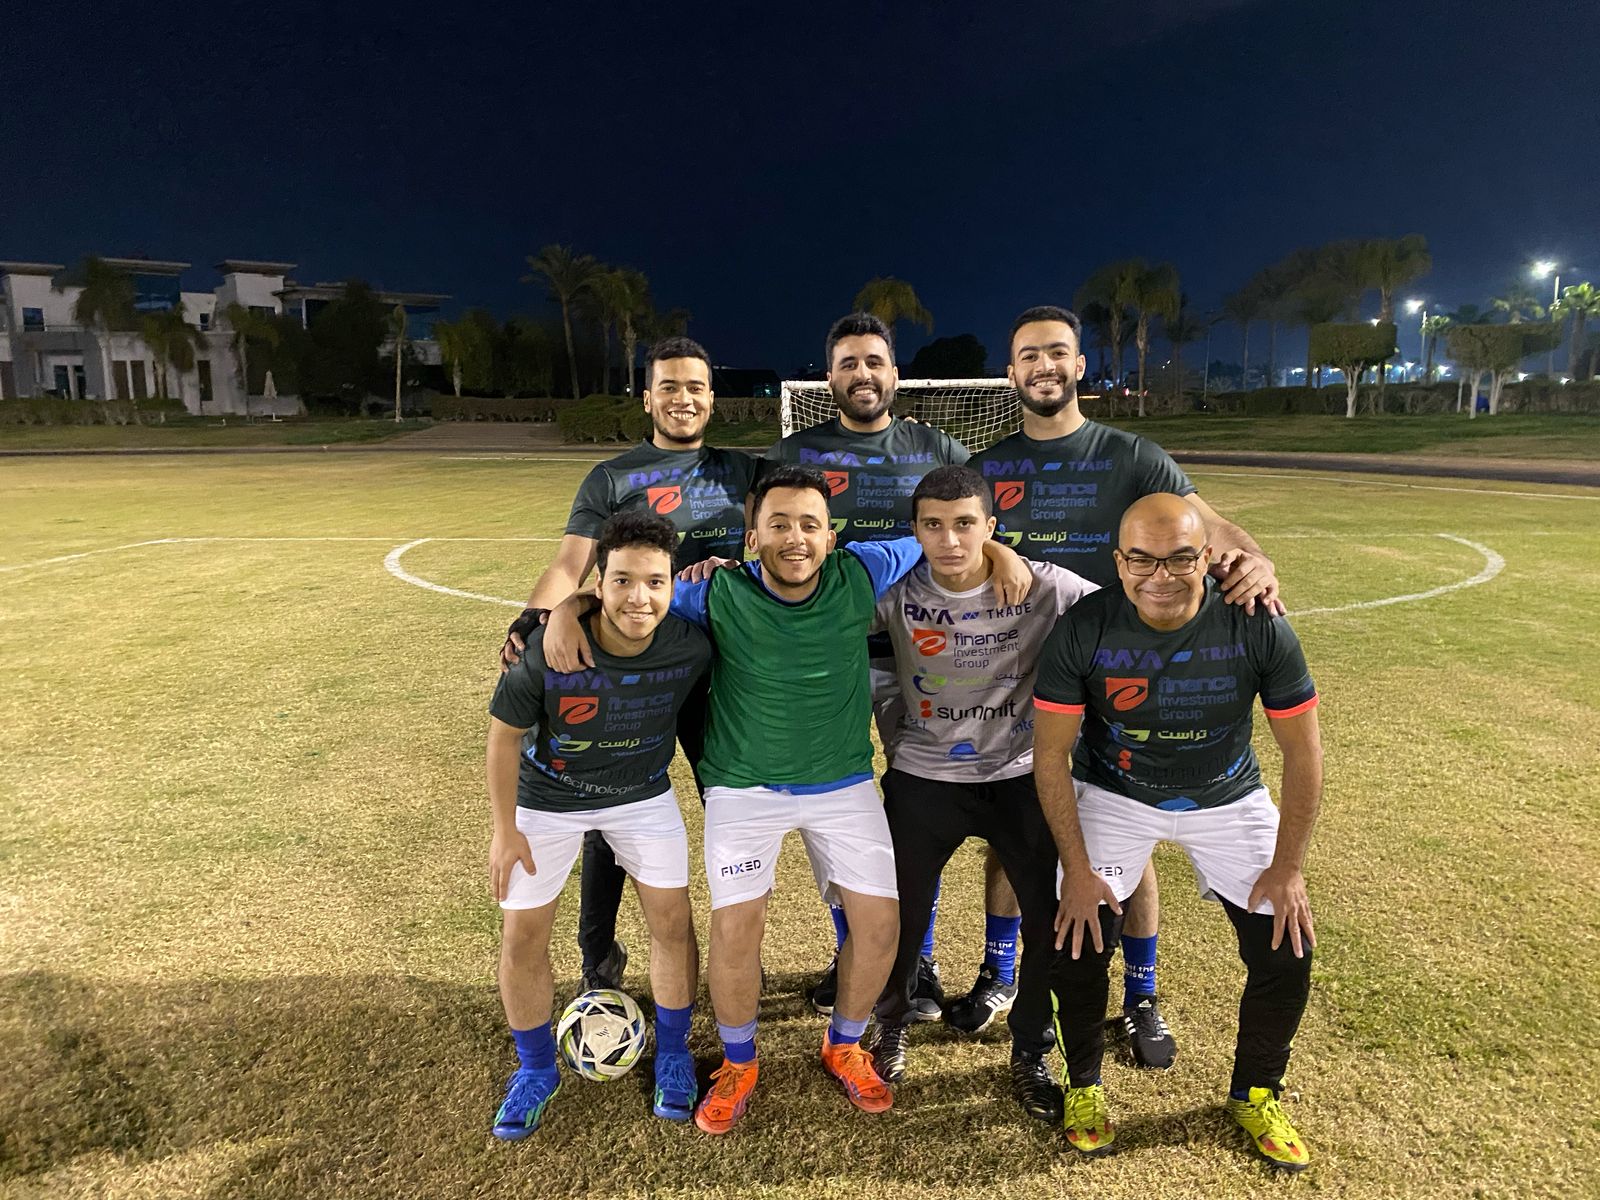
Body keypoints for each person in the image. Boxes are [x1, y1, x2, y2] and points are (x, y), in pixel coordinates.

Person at [662, 464, 1032, 1134]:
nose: (795, 538)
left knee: (881, 927)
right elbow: (627, 593)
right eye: (778, 524)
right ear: (752, 536)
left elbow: (947, 536)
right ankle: (739, 1062)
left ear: (831, 537)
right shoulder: (715, 591)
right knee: (737, 927)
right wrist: (567, 612)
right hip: (744, 787)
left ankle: (844, 1044)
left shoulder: (862, 569)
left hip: (842, 784)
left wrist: (1001, 552)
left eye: (810, 524)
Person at [956, 305, 1281, 1067]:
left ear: (1078, 366)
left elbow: (1210, 526)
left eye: (1057, 353)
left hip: (1121, 680)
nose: (1043, 366)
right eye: (1028, 354)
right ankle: (1000, 973)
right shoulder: (987, 465)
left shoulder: (1132, 455)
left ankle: (1140, 994)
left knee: (1128, 839)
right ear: (1012, 372)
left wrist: (1257, 558)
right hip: (1016, 678)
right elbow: (958, 537)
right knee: (1018, 835)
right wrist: (999, 553)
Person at [1033, 493, 1322, 1170]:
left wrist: (1287, 868)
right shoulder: (1085, 626)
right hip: (1116, 793)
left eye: (1180, 559)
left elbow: (1304, 753)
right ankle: (1084, 1087)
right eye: (1141, 560)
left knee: (1287, 948)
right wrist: (1078, 870)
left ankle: (1256, 1093)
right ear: (1119, 561)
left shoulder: (1257, 623)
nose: (1159, 576)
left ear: (1208, 557)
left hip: (1228, 796)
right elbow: (1050, 756)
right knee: (1077, 938)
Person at [501, 336, 756, 994]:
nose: (682, 399)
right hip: (631, 671)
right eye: (668, 387)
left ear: (712, 399)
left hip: (723, 670)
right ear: (647, 399)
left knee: (732, 804)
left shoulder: (744, 472)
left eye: (695, 387)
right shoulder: (612, 478)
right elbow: (572, 563)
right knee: (608, 802)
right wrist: (539, 616)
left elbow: (790, 535)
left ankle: (732, 952)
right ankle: (598, 956)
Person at [868, 465, 1096, 1123]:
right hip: (924, 777)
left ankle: (1031, 1051)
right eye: (933, 525)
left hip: (1020, 777)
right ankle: (892, 1023)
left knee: (1050, 923)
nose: (950, 540)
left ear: (991, 527)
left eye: (966, 524)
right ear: (915, 531)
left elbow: (1124, 605)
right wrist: (896, 733)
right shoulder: (894, 593)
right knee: (898, 917)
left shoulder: (1043, 585)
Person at [761, 312, 971, 1021]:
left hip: (927, 657)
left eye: (874, 361)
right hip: (830, 663)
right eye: (848, 363)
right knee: (836, 811)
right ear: (829, 377)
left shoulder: (934, 447)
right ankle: (853, 953)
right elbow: (759, 538)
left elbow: (971, 529)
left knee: (919, 814)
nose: (862, 374)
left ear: (894, 373)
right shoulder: (796, 452)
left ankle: (918, 961)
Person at [485, 512, 713, 1138]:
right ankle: (535, 1069)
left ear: (672, 585)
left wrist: (572, 603)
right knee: (523, 936)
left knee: (673, 923)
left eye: (655, 582)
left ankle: (673, 1054)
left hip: (642, 797)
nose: (639, 597)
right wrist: (506, 831)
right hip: (547, 801)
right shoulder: (548, 651)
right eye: (622, 581)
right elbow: (503, 739)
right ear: (601, 583)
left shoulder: (691, 644)